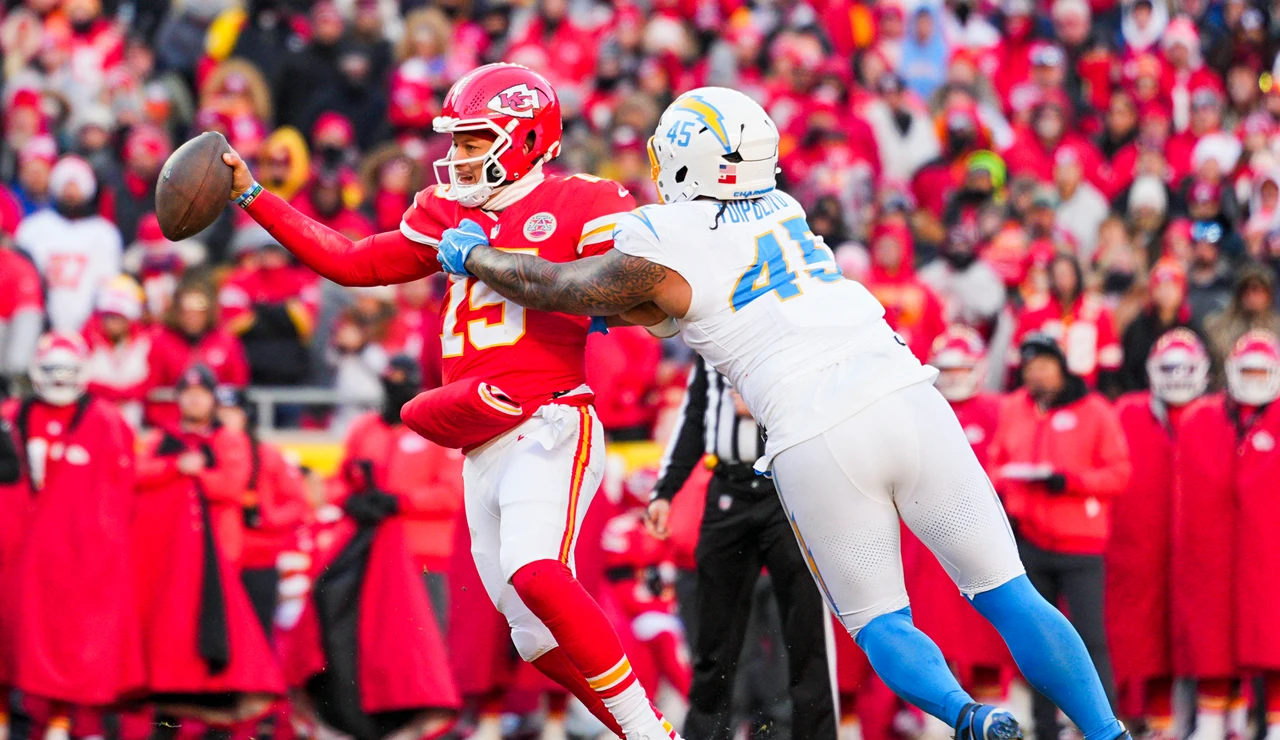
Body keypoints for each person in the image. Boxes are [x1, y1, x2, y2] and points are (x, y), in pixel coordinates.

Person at [437, 86, 1132, 740]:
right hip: (907, 395)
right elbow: (656, 297)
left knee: (880, 622)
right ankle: (1110, 733)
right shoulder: (786, 209)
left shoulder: (665, 231)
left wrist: (477, 256)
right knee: (1009, 594)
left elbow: (559, 286)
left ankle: (968, 717)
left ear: (682, 159)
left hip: (815, 430)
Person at [223, 63, 682, 740]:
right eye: (458, 141)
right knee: (528, 634)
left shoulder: (582, 201)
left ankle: (651, 734)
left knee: (537, 571)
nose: (458, 156)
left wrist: (511, 267)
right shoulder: (448, 214)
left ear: (525, 139)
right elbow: (352, 261)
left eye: (473, 140)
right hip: (483, 433)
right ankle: (641, 731)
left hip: (552, 414)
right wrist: (254, 196)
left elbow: (635, 288)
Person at [646, 357, 837, 740]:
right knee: (714, 639)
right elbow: (695, 416)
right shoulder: (708, 341)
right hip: (727, 492)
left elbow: (828, 402)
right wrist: (665, 490)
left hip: (786, 490)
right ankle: (707, 735)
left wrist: (766, 408)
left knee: (805, 638)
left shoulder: (790, 334)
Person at [0, 333, 143, 740]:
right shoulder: (11, 415)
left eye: (67, 371)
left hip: (75, 553)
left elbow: (122, 486)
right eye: (52, 371)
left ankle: (63, 719)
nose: (59, 380)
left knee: (70, 637)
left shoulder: (106, 421)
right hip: (16, 547)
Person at [987, 334, 1130, 738]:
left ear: (1062, 366)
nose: (1038, 374)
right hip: (1030, 540)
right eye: (1030, 367)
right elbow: (994, 462)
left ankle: (1106, 725)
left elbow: (1119, 473)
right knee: (1039, 641)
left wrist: (1068, 481)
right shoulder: (1014, 407)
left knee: (1090, 638)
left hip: (1081, 544)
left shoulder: (1095, 410)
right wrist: (1013, 483)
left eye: (1045, 365)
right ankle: (1044, 727)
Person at [132, 365, 285, 726]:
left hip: (220, 551)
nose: (194, 399)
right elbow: (138, 473)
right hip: (171, 552)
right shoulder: (161, 439)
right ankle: (171, 706)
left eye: (200, 393)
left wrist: (196, 471)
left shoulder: (228, 440)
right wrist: (176, 467)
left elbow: (231, 485)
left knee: (221, 632)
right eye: (187, 393)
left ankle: (219, 715)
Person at [1171, 330, 1280, 740]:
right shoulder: (1205, 419)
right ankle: (1213, 719)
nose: (1253, 378)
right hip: (1215, 552)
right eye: (1246, 369)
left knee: (1272, 636)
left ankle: (1274, 721)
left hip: (1268, 553)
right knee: (1212, 633)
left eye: (1260, 370)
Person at [1107, 329, 1210, 738]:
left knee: (1209, 643)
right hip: (1142, 548)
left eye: (1185, 367)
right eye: (1169, 367)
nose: (1177, 376)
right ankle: (1153, 722)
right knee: (1143, 641)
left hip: (1201, 552)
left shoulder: (1217, 415)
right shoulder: (1128, 414)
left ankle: (1228, 722)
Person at [334, 355, 464, 623]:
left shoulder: (437, 427)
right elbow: (340, 479)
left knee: (425, 636)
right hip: (370, 548)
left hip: (423, 555)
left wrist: (399, 502)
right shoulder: (365, 429)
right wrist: (350, 501)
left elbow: (453, 493)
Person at [13, 156, 123, 334]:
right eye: (66, 185)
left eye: (77, 185)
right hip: (40, 325)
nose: (71, 192)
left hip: (90, 330)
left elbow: (109, 284)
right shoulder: (32, 229)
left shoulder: (104, 233)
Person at [1118, 260, 1200, 393]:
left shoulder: (1193, 328)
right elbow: (1128, 370)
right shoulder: (1137, 328)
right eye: (1161, 287)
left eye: (1172, 287)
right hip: (1144, 396)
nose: (1166, 293)